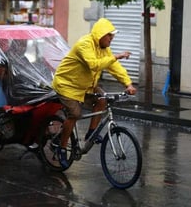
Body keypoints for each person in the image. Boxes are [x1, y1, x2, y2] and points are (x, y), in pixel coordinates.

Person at [52, 18, 137, 168]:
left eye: (113, 36)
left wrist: (128, 84)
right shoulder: (84, 44)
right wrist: (116, 56)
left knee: (102, 100)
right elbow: (93, 64)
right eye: (109, 36)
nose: (112, 39)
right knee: (75, 114)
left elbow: (114, 66)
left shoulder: (103, 48)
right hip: (67, 85)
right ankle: (62, 148)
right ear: (100, 35)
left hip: (86, 86)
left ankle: (91, 133)